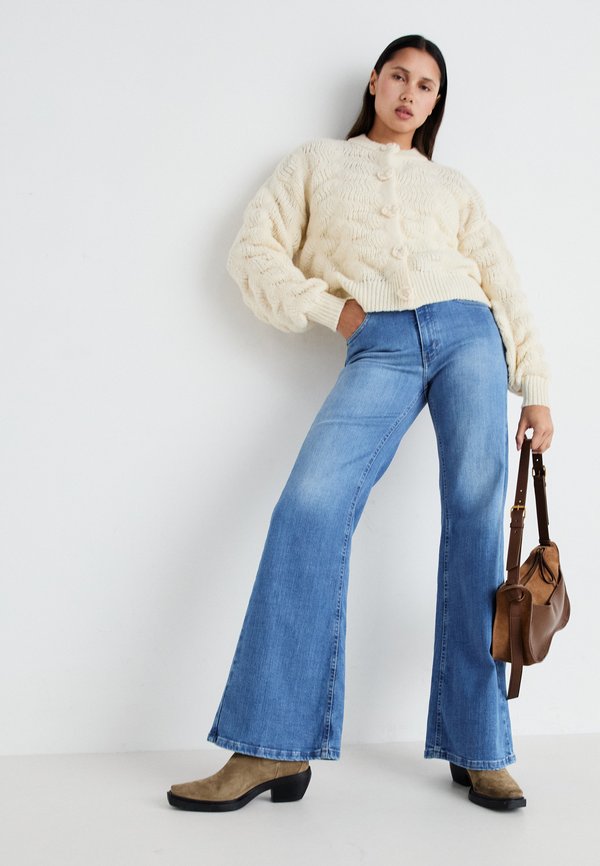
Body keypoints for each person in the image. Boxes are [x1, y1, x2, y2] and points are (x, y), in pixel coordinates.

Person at [167, 33, 554, 813]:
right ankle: (272, 746)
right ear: (375, 82)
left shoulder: (451, 186)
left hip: (469, 333)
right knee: (308, 508)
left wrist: (535, 385)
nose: (411, 94)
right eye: (400, 77)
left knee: (475, 520)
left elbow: (503, 280)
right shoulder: (314, 163)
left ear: (435, 104)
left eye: (427, 86)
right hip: (379, 340)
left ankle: (478, 745)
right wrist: (332, 309)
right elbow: (254, 252)